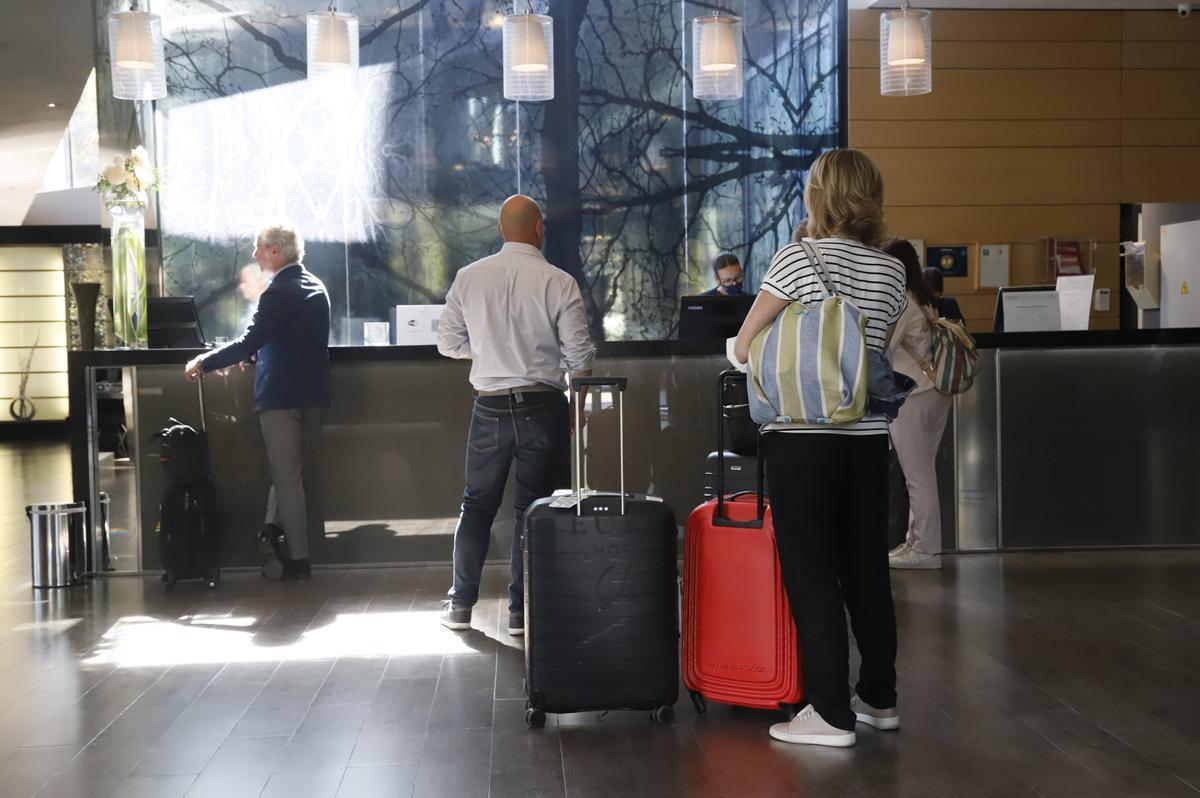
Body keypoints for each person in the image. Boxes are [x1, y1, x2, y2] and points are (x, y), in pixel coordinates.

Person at [731, 149, 906, 748]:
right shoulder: (891, 270)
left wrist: (753, 342)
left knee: (810, 573)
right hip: (866, 439)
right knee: (865, 570)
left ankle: (829, 713)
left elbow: (745, 343)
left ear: (818, 195)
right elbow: (867, 352)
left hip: (803, 438)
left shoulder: (797, 258)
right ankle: (878, 699)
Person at [437, 194, 595, 636]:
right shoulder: (559, 281)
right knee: (534, 510)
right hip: (543, 406)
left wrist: (485, 353)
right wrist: (577, 410)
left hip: (488, 407)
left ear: (502, 230)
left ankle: (461, 605)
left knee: (476, 505)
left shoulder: (469, 277)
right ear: (539, 228)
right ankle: (520, 611)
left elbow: (447, 343)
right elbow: (579, 357)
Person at [184, 222, 330, 580]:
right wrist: (251, 356)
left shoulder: (278, 291)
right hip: (314, 395)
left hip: (281, 397)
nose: (254, 255)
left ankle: (298, 560)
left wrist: (204, 362)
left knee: (287, 478)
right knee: (290, 474)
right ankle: (270, 529)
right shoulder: (317, 287)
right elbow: (285, 339)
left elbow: (251, 340)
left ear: (276, 250)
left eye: (259, 248)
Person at [886, 240, 951, 570]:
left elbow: (883, 347)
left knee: (917, 474)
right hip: (934, 391)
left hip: (912, 393)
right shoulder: (925, 298)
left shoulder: (901, 300)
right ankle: (915, 542)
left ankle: (925, 550)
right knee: (922, 470)